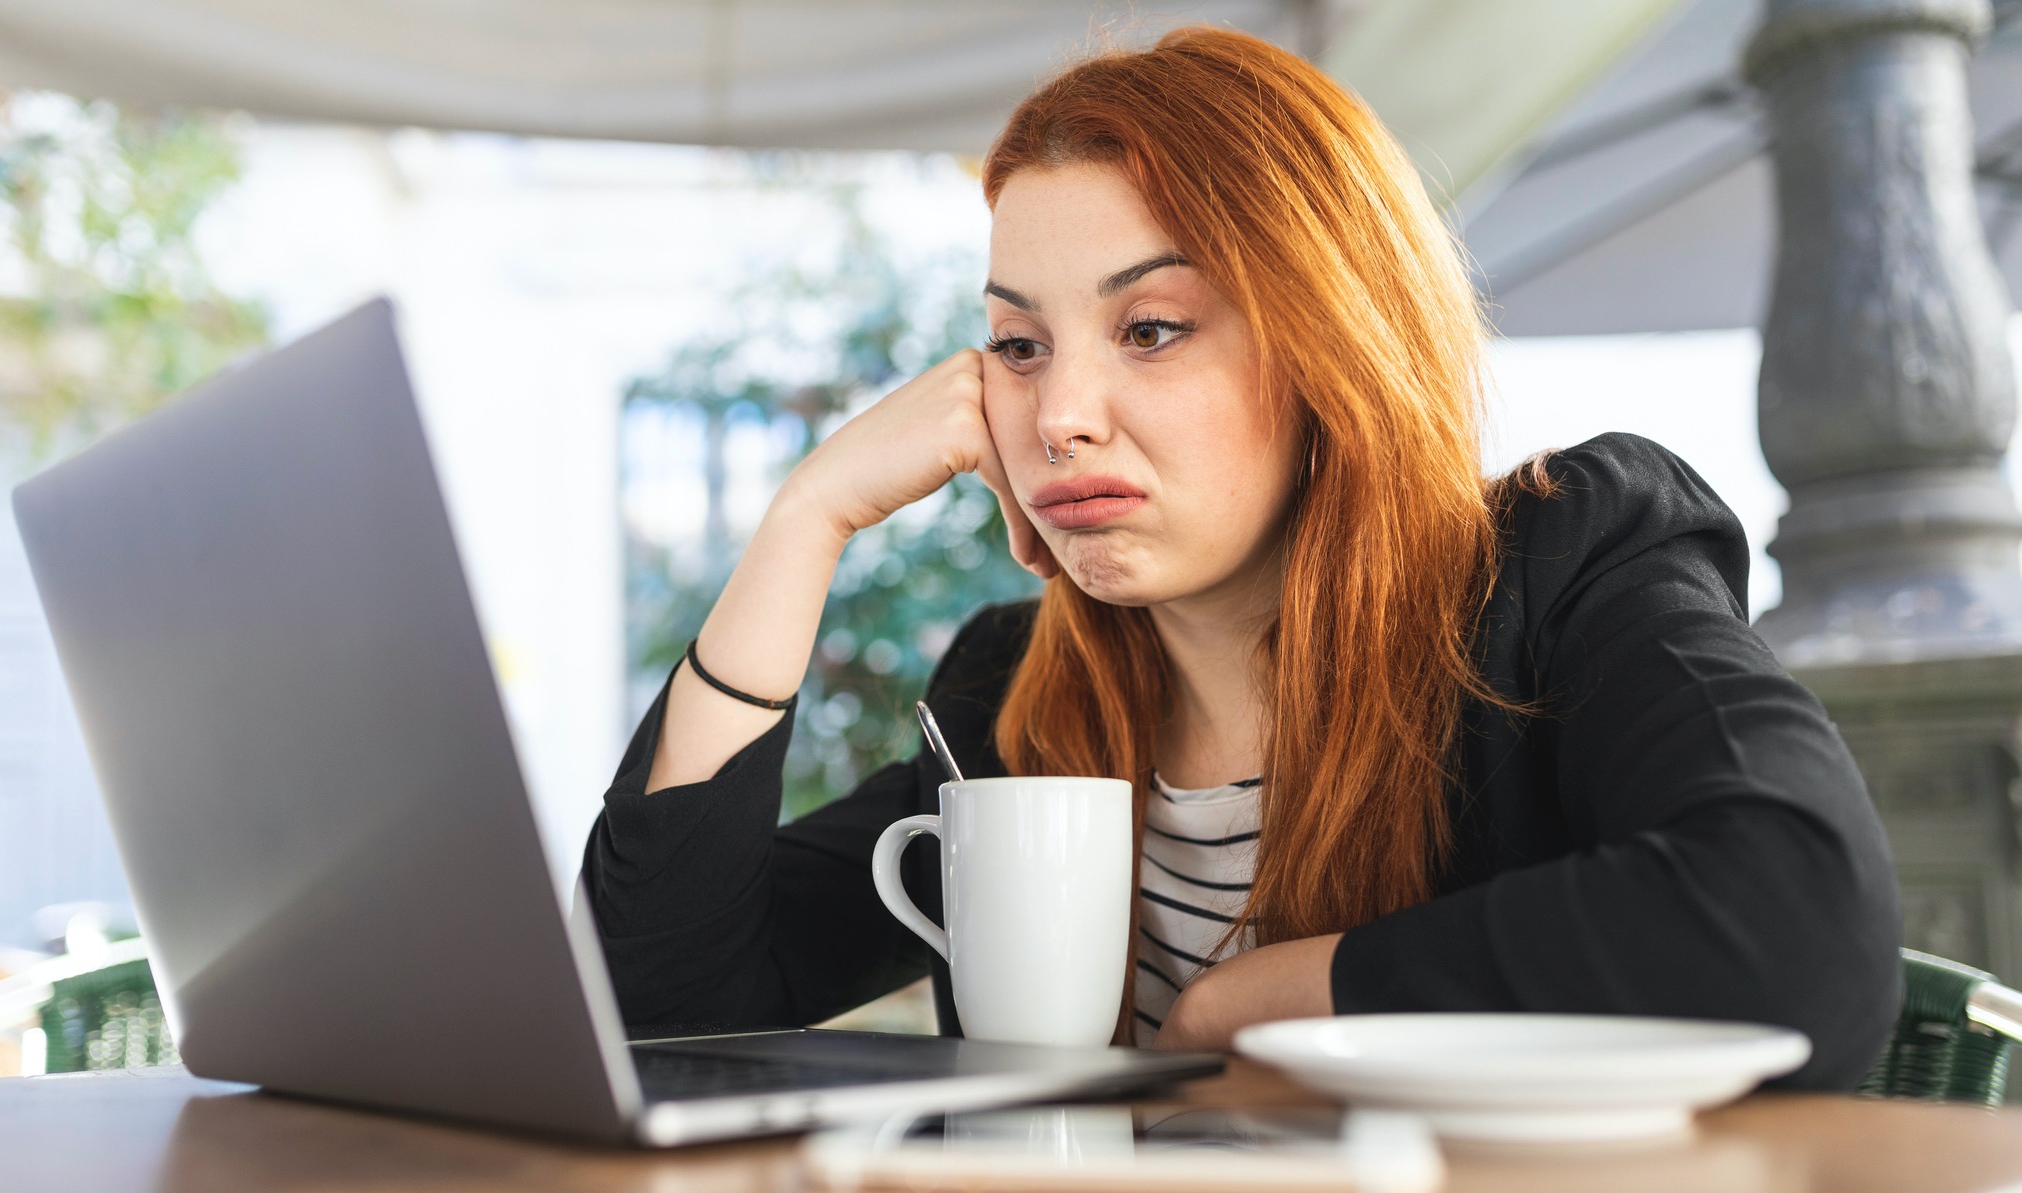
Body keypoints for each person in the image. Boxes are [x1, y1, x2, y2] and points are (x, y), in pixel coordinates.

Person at [583, 26, 1901, 1088]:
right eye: (1019, 344)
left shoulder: (1563, 566)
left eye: (1150, 328)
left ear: (1329, 336)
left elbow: (1794, 927)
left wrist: (1264, 992)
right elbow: (657, 1005)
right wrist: (804, 518)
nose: (1057, 415)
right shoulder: (1018, 696)